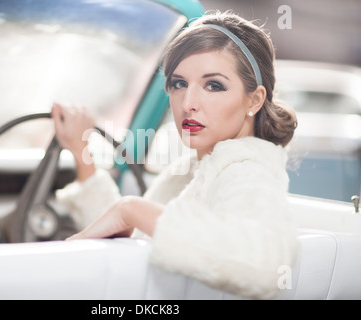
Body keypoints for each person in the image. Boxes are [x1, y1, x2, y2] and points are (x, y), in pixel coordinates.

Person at [51, 11, 299, 299]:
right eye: (179, 84)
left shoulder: (247, 169)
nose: (188, 103)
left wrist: (132, 208)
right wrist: (81, 153)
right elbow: (131, 232)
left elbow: (265, 264)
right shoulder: (196, 167)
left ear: (254, 100)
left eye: (213, 85)